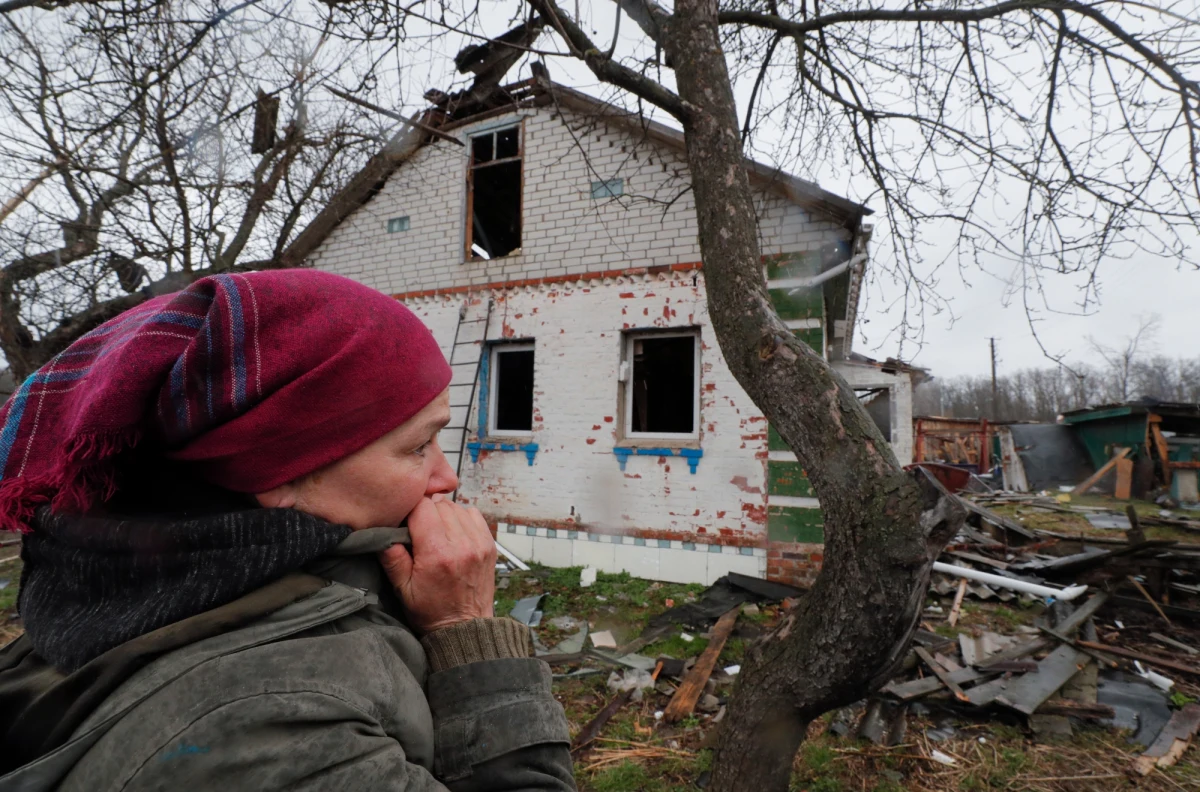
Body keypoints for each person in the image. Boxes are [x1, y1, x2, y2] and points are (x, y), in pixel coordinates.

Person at [0, 270, 576, 791]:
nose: (445, 478)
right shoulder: (271, 731)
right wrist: (464, 631)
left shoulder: (117, 588)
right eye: (418, 445)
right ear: (279, 471)